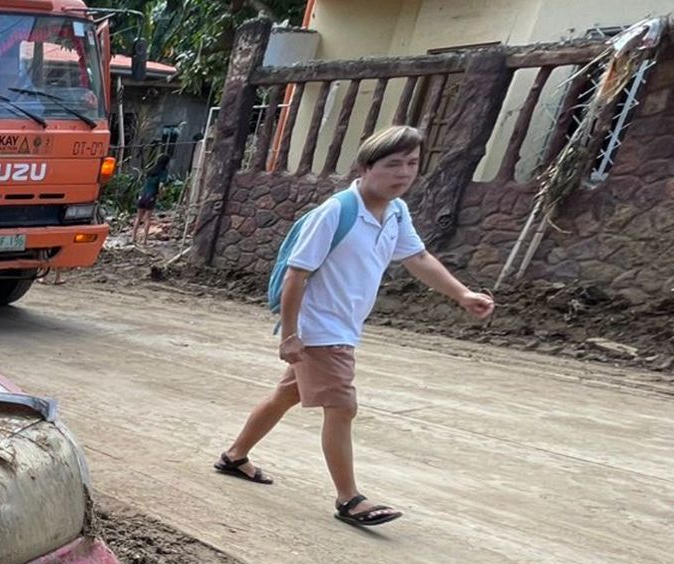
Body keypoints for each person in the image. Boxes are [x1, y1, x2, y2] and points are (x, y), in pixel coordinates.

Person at [213, 126, 495, 527]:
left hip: (341, 326)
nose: (403, 173)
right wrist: (291, 335)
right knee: (341, 406)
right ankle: (349, 499)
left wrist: (462, 294)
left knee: (285, 396)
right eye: (392, 164)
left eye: (412, 164)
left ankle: (234, 456)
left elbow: (418, 258)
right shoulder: (337, 212)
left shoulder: (396, 212)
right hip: (321, 329)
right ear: (365, 168)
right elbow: (297, 275)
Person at [132, 152, 172, 245]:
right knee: (147, 218)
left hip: (142, 194)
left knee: (138, 217)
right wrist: (161, 195)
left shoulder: (151, 170)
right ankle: (144, 240)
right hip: (151, 196)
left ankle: (133, 237)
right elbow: (161, 186)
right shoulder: (163, 172)